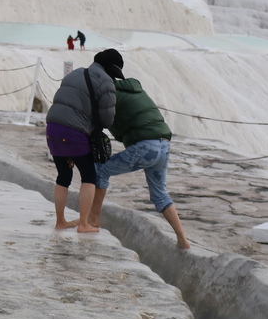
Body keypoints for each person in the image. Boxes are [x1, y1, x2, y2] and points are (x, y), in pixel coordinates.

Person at [88, 76, 190, 249]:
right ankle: (182, 239)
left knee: (101, 171)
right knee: (160, 195)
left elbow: (99, 122)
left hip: (145, 148)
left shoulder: (110, 96)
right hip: (163, 145)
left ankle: (93, 220)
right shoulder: (135, 90)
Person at [44, 48, 124, 233]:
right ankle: (83, 224)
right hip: (75, 131)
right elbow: (106, 119)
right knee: (89, 177)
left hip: (52, 128)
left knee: (63, 176)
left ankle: (60, 222)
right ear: (111, 69)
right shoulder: (106, 83)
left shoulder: (74, 74)